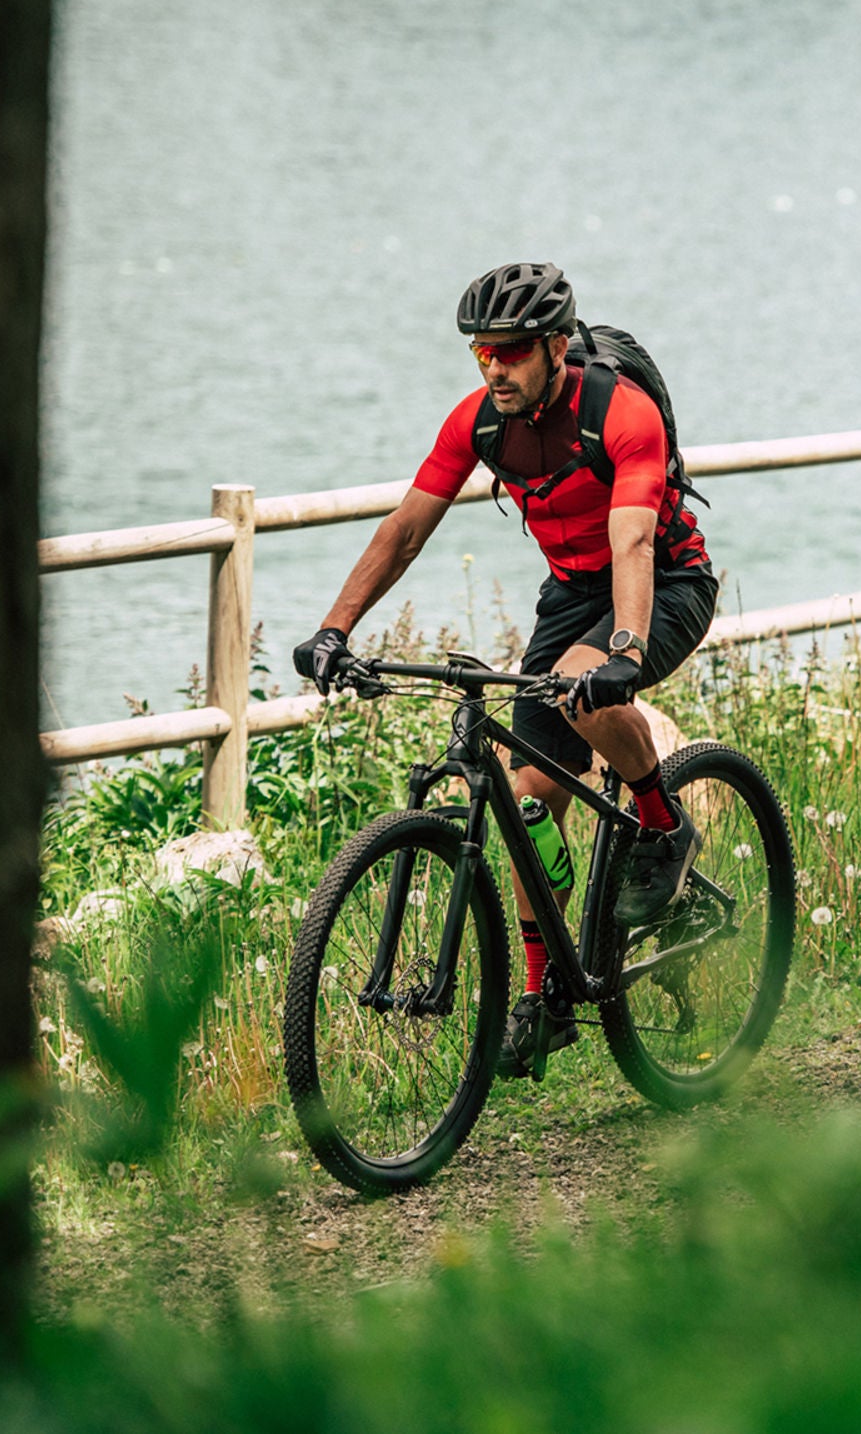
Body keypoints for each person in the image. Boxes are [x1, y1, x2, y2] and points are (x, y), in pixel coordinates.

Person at [293, 261, 718, 1075]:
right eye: (482, 352)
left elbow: (631, 540)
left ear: (556, 346)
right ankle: (544, 992)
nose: (495, 367)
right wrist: (334, 629)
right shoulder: (478, 422)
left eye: (513, 351)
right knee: (526, 806)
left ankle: (664, 825)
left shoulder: (619, 414)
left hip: (663, 583)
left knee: (586, 692)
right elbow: (407, 528)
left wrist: (624, 651)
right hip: (569, 595)